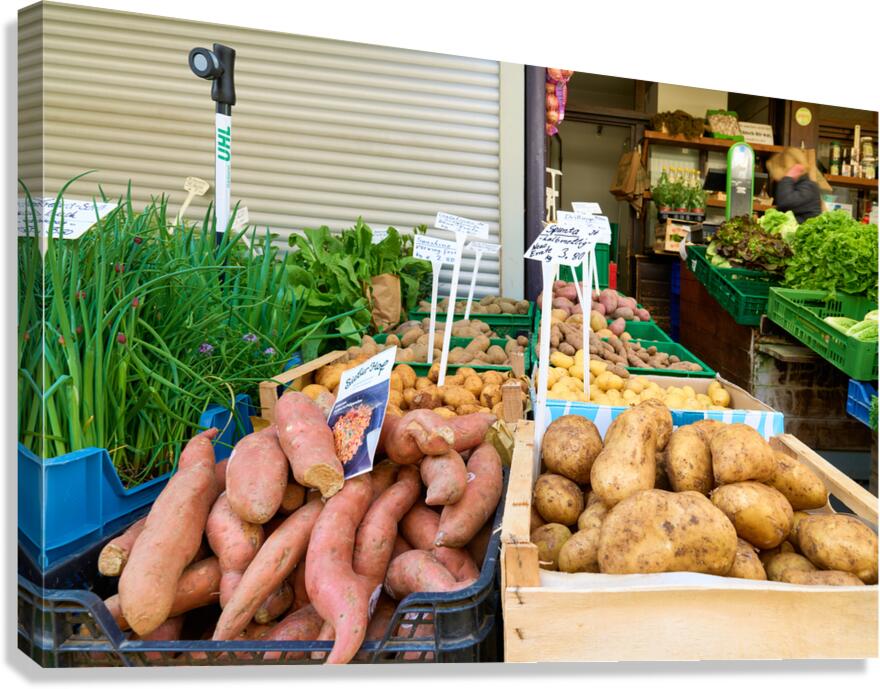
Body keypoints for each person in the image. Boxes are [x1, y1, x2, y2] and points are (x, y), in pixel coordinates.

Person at [768, 147, 822, 223]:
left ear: (785, 168)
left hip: (804, 233)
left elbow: (786, 202)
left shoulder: (809, 187)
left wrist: (788, 177)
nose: (773, 177)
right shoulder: (794, 186)